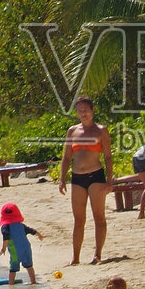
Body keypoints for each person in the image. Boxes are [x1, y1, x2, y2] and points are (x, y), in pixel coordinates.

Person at [58, 96, 113, 265]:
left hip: (96, 175)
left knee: (99, 217)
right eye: (80, 110)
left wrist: (109, 180)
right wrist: (62, 179)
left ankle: (97, 254)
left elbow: (108, 156)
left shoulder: (100, 130)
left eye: (86, 110)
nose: (83, 113)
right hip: (77, 178)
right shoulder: (72, 131)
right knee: (79, 219)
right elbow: (66, 157)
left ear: (92, 111)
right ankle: (75, 257)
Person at [0, 202, 40, 284]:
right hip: (26, 249)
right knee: (29, 266)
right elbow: (32, 231)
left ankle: (11, 284)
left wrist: (3, 248)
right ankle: (33, 282)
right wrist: (40, 236)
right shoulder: (21, 225)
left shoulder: (5, 227)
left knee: (13, 269)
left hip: (15, 251)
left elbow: (6, 238)